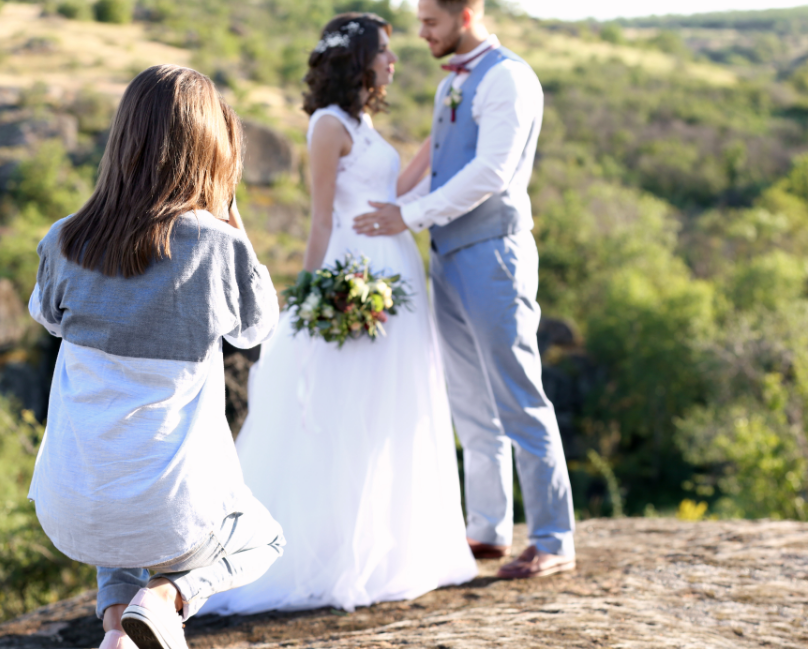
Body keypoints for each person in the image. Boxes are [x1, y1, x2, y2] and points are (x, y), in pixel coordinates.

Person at [200, 12, 477, 616]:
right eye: (385, 51)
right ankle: (330, 551)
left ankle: (392, 548)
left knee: (393, 406)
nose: (393, 61)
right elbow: (322, 218)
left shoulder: (365, 122)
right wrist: (307, 297)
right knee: (344, 408)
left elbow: (390, 196)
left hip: (397, 271)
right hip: (353, 278)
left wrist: (434, 147)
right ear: (358, 59)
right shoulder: (327, 125)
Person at [26, 65, 285, 649]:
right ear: (210, 150)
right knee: (263, 539)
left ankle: (117, 628)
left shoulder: (63, 239)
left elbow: (46, 316)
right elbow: (257, 327)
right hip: (173, 519)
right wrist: (232, 221)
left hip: (69, 510)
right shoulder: (220, 247)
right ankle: (167, 599)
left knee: (114, 459)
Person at [353, 0, 577, 579]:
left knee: (518, 395)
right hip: (448, 256)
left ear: (467, 12)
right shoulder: (453, 80)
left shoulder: (507, 78)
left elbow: (491, 172)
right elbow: (437, 161)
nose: (421, 32)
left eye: (430, 22)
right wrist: (386, 209)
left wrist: (411, 216)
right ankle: (488, 528)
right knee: (472, 402)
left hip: (492, 254)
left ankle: (553, 537)